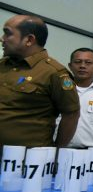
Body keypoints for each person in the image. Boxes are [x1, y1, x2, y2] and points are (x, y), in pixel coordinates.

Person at [0, 14, 79, 148]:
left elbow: (71, 114)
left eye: (8, 33)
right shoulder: (2, 65)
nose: (2, 39)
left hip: (28, 157)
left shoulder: (54, 73)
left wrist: (56, 151)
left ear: (29, 40)